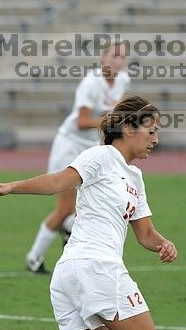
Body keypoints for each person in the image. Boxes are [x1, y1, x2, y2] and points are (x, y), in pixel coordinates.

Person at [0, 94, 177, 330]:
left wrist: (163, 244)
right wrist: (11, 186)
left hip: (73, 271)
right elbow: (59, 181)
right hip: (95, 267)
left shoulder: (136, 178)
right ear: (129, 128)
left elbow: (144, 233)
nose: (156, 140)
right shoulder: (101, 156)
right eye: (152, 131)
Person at [26, 42, 130, 273]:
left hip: (91, 147)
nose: (119, 61)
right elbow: (82, 122)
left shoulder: (123, 80)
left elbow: (112, 114)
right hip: (69, 145)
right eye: (114, 55)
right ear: (102, 58)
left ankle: (70, 232)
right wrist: (109, 123)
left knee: (85, 204)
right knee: (65, 208)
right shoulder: (91, 82)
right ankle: (34, 257)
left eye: (123, 57)